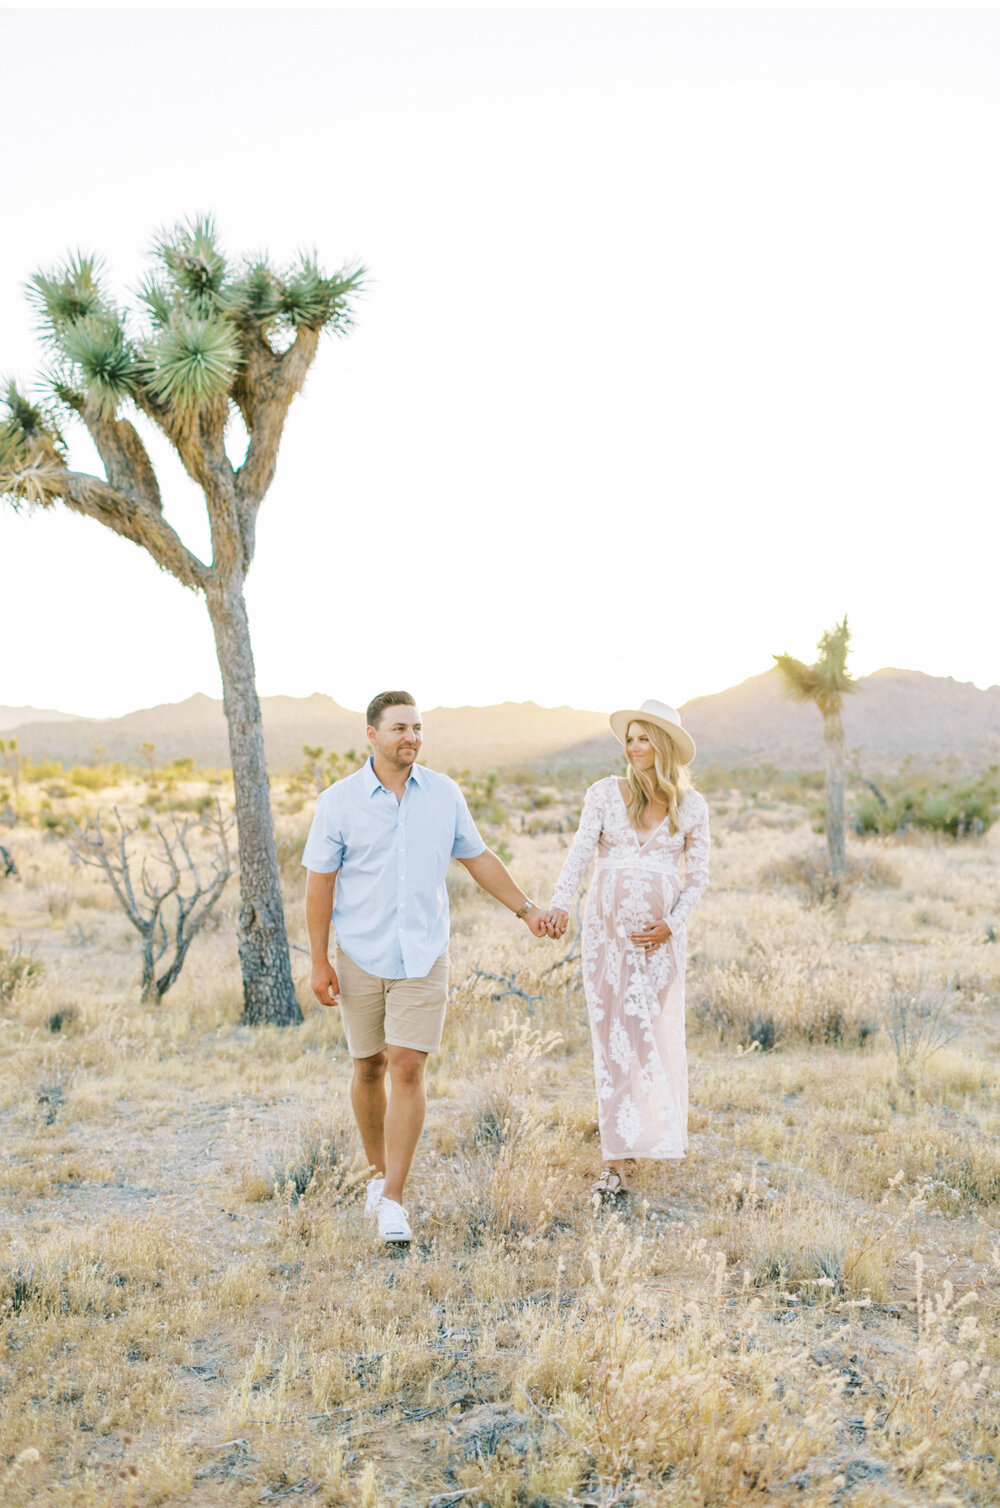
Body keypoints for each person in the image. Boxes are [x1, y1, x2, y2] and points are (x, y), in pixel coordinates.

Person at [303, 691, 551, 1246]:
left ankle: (393, 1197)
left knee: (407, 1066)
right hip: (361, 953)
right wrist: (320, 959)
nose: (410, 737)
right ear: (371, 734)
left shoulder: (444, 794)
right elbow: (320, 883)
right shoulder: (339, 802)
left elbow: (478, 856)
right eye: (398, 728)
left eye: (417, 728)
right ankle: (374, 1175)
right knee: (368, 1067)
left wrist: (527, 910)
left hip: (422, 952)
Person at [543, 699, 710, 1198]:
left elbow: (698, 879)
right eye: (630, 738)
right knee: (612, 1040)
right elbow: (578, 854)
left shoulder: (691, 805)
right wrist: (560, 905)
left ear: (663, 746)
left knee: (645, 1037)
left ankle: (643, 1134)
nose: (634, 747)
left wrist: (672, 926)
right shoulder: (603, 794)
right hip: (605, 938)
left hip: (659, 945)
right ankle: (616, 1160)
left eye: (643, 738)